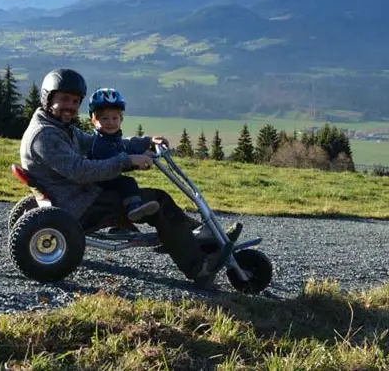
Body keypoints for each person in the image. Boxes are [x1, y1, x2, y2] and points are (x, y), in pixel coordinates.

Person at [19, 68, 239, 286]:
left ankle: (195, 237)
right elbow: (81, 170)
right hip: (80, 206)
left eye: (75, 101)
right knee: (158, 201)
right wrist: (126, 161)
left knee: (150, 198)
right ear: (48, 98)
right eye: (64, 99)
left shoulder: (59, 127)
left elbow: (99, 142)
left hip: (76, 197)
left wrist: (145, 142)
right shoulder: (45, 135)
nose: (70, 106)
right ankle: (199, 268)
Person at [84, 87, 161, 224]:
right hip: (100, 181)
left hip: (109, 178)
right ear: (94, 120)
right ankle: (134, 208)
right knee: (127, 183)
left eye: (115, 118)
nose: (110, 122)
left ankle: (122, 225)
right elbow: (115, 160)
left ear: (121, 119)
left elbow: (127, 145)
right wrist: (136, 162)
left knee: (126, 183)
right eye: (104, 118)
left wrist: (149, 141)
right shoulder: (99, 142)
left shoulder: (113, 137)